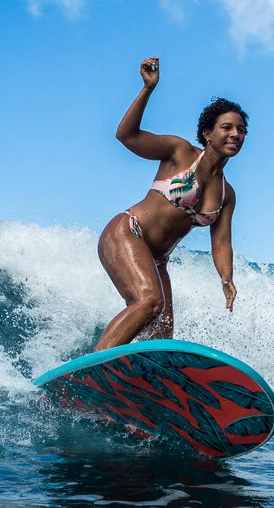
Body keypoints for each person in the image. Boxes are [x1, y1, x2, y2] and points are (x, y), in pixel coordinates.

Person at [95, 56, 248, 350]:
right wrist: (148, 89)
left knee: (162, 336)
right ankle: (92, 368)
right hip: (128, 232)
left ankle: (136, 374)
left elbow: (221, 243)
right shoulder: (180, 152)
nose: (235, 134)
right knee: (150, 300)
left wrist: (226, 278)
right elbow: (126, 136)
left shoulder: (227, 193)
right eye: (227, 127)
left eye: (241, 130)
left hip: (158, 260)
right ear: (208, 133)